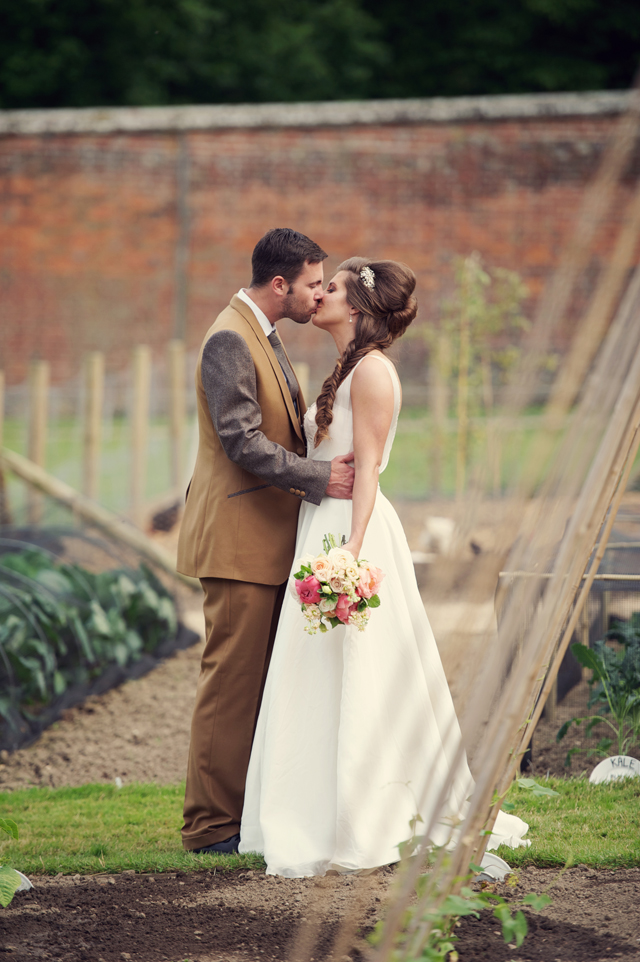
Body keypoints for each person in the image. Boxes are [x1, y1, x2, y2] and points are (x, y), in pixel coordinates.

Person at [239, 257, 530, 877]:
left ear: (361, 308)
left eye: (334, 288)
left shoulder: (372, 373)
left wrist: (352, 551)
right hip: (326, 524)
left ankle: (365, 814)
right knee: (315, 671)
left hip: (352, 532)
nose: (321, 295)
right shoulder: (345, 368)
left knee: (360, 671)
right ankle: (311, 805)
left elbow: (367, 469)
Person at [177, 229, 355, 855]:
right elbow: (241, 440)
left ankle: (243, 816)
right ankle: (209, 828)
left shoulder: (262, 333)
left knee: (255, 684)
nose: (318, 294)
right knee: (230, 685)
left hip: (265, 541)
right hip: (237, 542)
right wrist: (319, 477)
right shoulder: (231, 336)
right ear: (280, 284)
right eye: (312, 283)